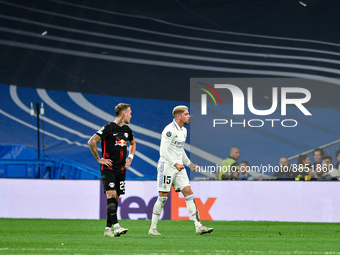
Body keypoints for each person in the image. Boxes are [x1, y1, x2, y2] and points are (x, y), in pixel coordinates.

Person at [148, 105, 214, 236]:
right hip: (167, 166)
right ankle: (153, 228)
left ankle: (198, 225)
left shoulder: (183, 130)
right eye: (186, 114)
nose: (189, 116)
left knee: (189, 193)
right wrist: (174, 163)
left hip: (179, 167)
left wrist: (189, 163)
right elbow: (163, 150)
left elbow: (180, 149)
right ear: (178, 116)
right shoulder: (169, 130)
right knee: (163, 198)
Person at [88, 103, 136, 237]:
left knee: (116, 199)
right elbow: (92, 142)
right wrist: (99, 159)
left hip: (121, 169)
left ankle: (108, 229)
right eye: (130, 113)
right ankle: (117, 226)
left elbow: (133, 143)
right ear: (124, 114)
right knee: (111, 195)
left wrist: (130, 157)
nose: (131, 115)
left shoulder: (127, 130)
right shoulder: (108, 128)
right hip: (108, 168)